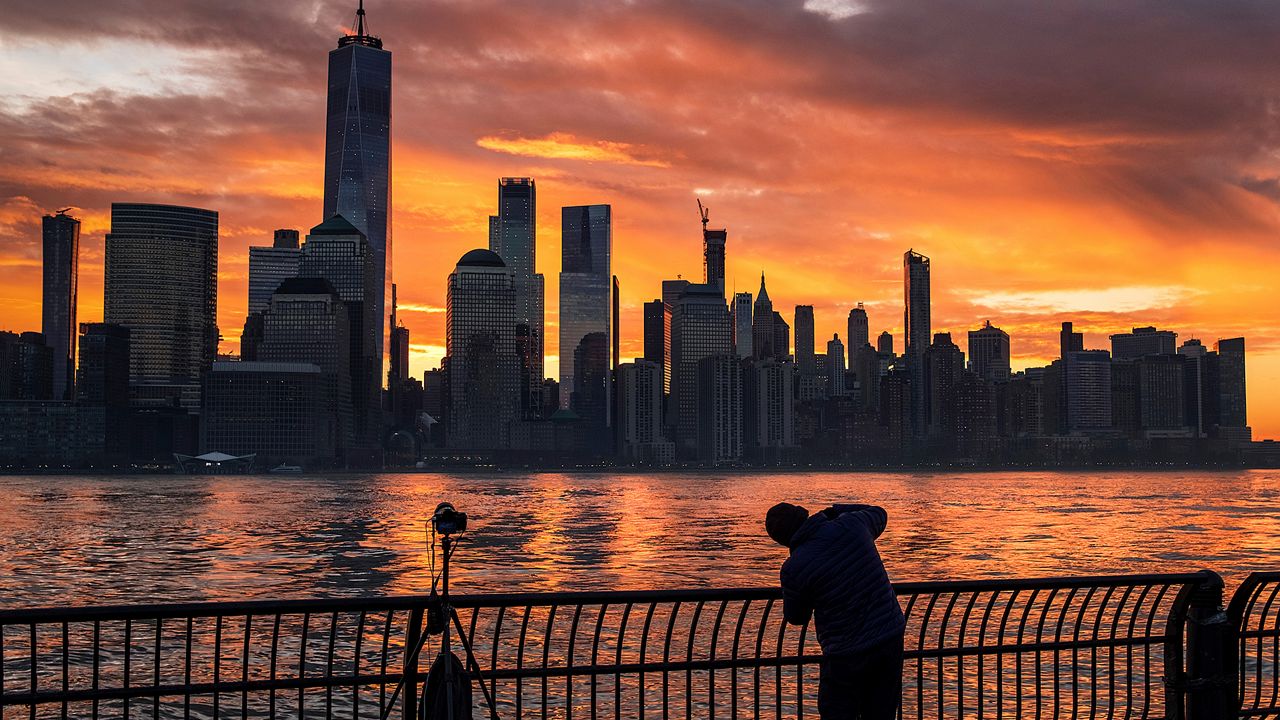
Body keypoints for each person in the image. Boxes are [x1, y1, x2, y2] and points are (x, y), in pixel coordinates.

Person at [766, 501, 905, 720]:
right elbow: (879, 513)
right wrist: (835, 510)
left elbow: (796, 616)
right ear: (804, 514)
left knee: (836, 711)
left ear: (782, 540)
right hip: (888, 636)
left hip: (845, 650)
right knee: (882, 712)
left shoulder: (794, 567)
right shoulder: (852, 525)